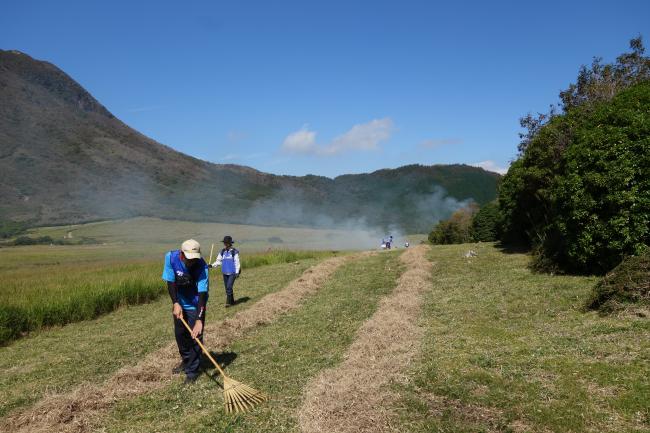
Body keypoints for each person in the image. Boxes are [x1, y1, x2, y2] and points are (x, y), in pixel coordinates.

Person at [162, 239, 209, 384]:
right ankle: (186, 360)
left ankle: (192, 371)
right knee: (180, 335)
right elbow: (171, 282)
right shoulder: (171, 258)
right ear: (182, 254)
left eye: (195, 259)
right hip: (180, 303)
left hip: (196, 305)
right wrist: (175, 303)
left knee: (195, 336)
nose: (192, 262)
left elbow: (202, 293)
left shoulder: (202, 266)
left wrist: (199, 320)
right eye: (189, 259)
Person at [210, 235, 241, 307]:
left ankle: (228, 303)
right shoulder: (222, 251)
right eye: (225, 242)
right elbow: (218, 261)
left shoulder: (234, 252)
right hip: (224, 272)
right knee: (227, 288)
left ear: (230, 243)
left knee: (229, 287)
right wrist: (211, 265)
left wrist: (237, 272)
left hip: (232, 273)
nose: (225, 244)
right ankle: (232, 301)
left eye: (227, 242)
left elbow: (237, 262)